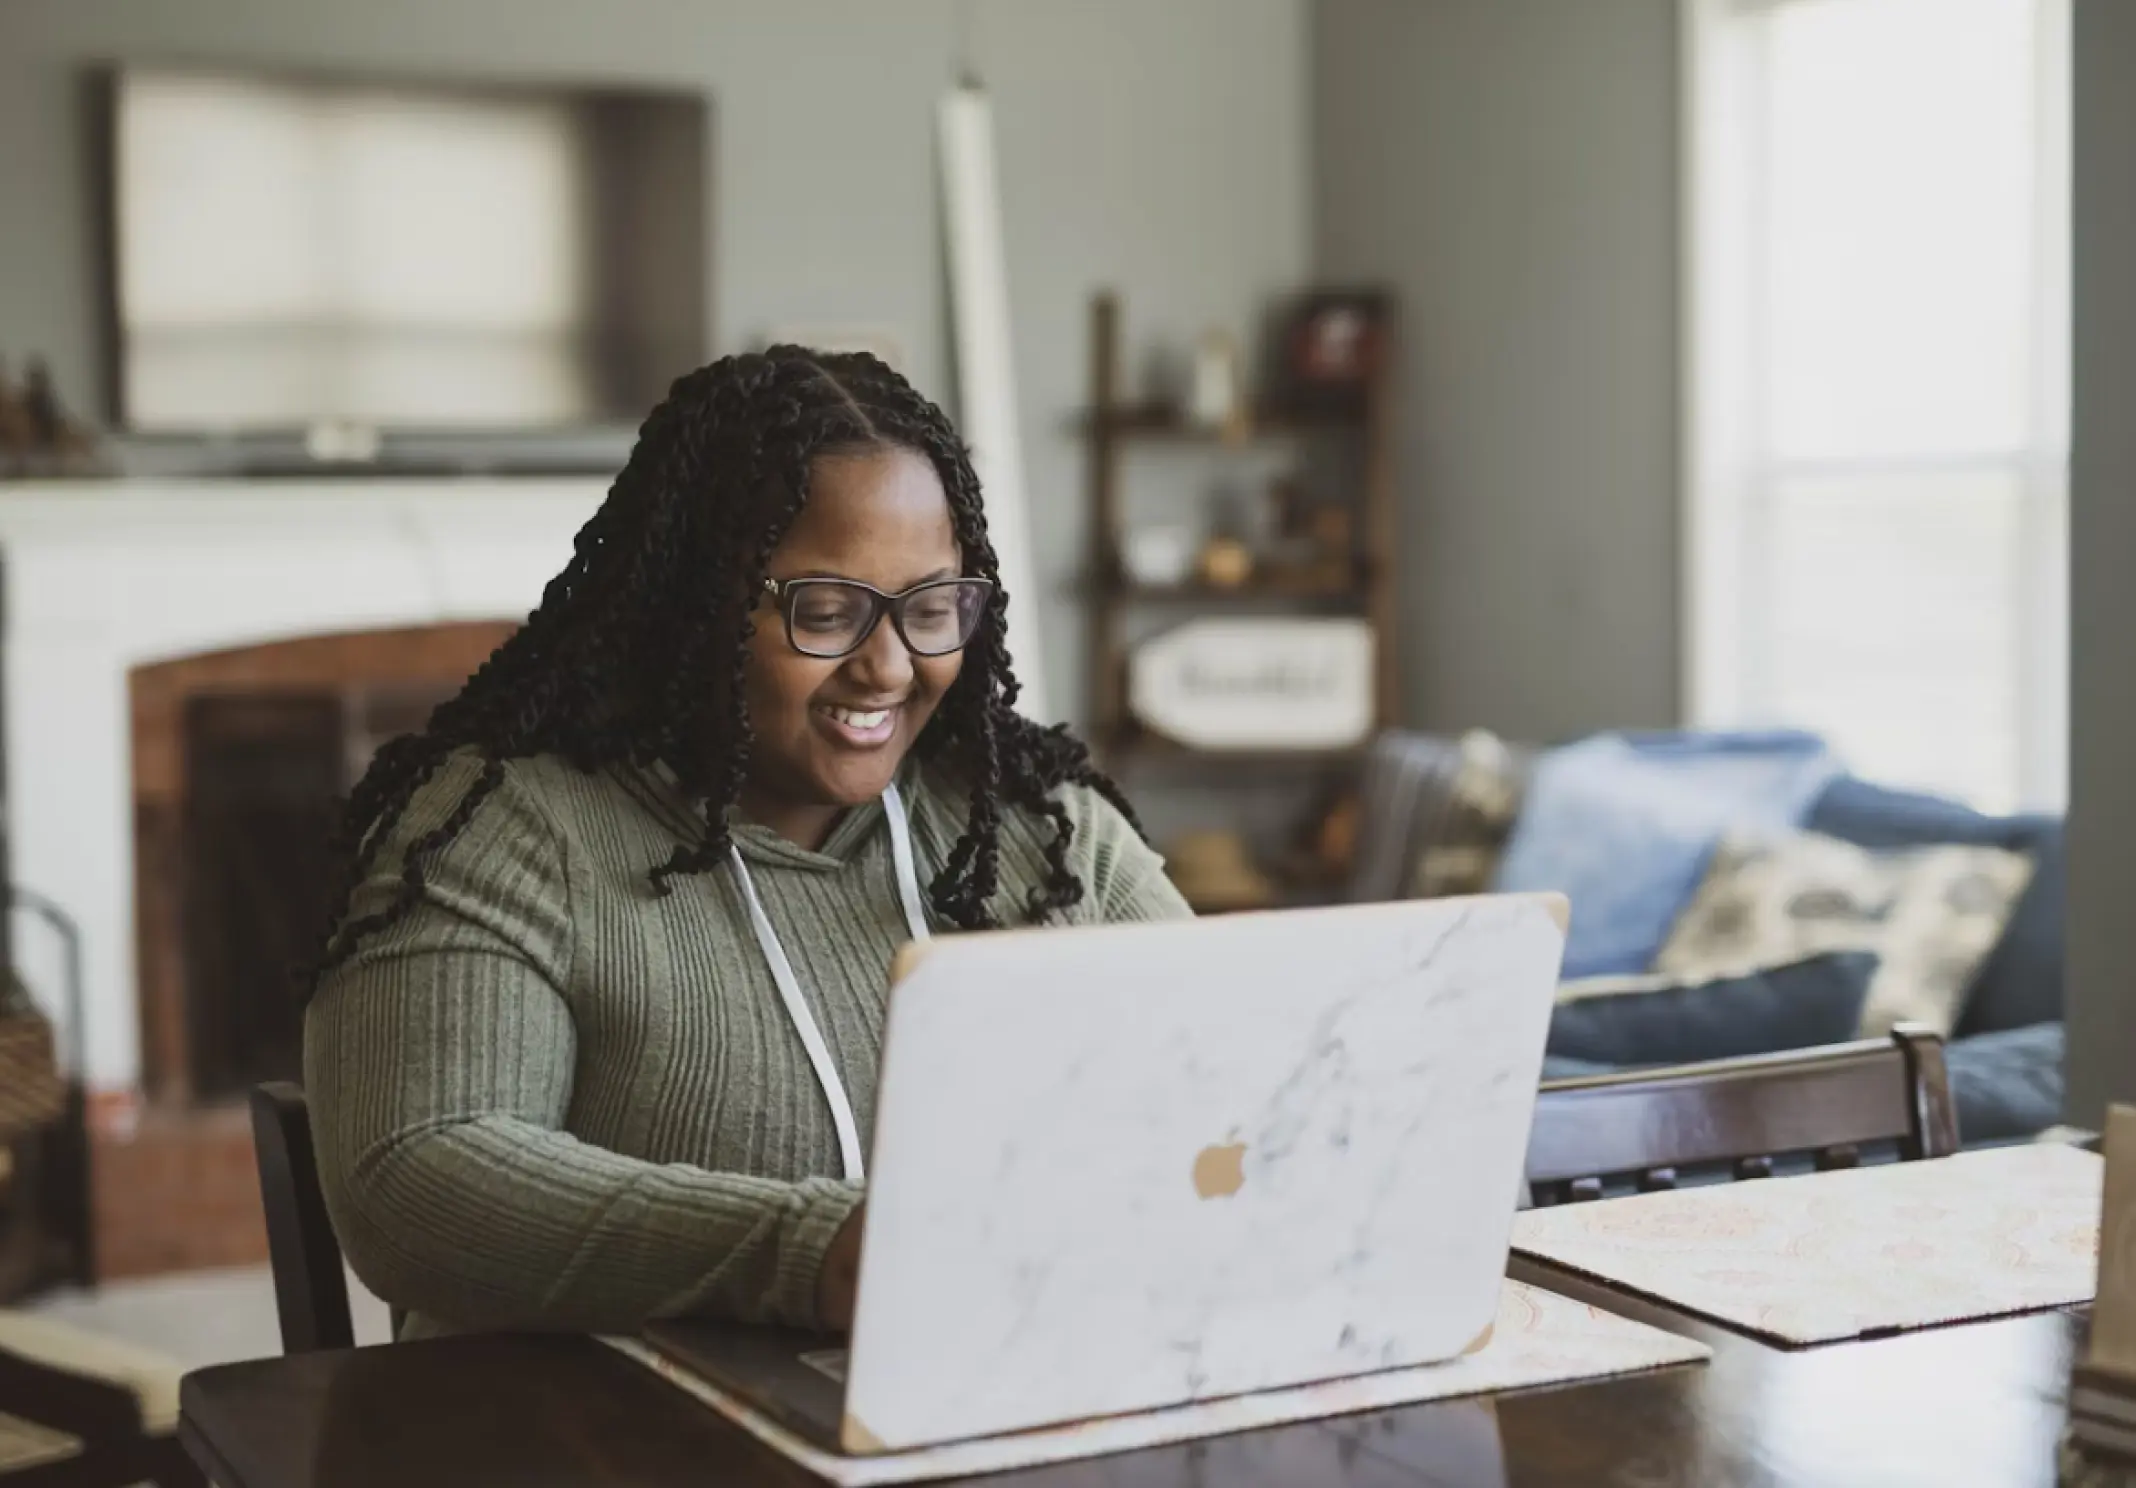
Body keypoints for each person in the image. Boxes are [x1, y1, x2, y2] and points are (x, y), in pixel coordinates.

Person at [303, 348, 1191, 1341]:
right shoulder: (502, 827)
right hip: (586, 1444)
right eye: (826, 610)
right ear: (700, 605)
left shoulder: (1043, 826)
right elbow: (417, 1177)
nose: (888, 666)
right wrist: (812, 1256)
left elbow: (1232, 1088)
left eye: (932, 608)